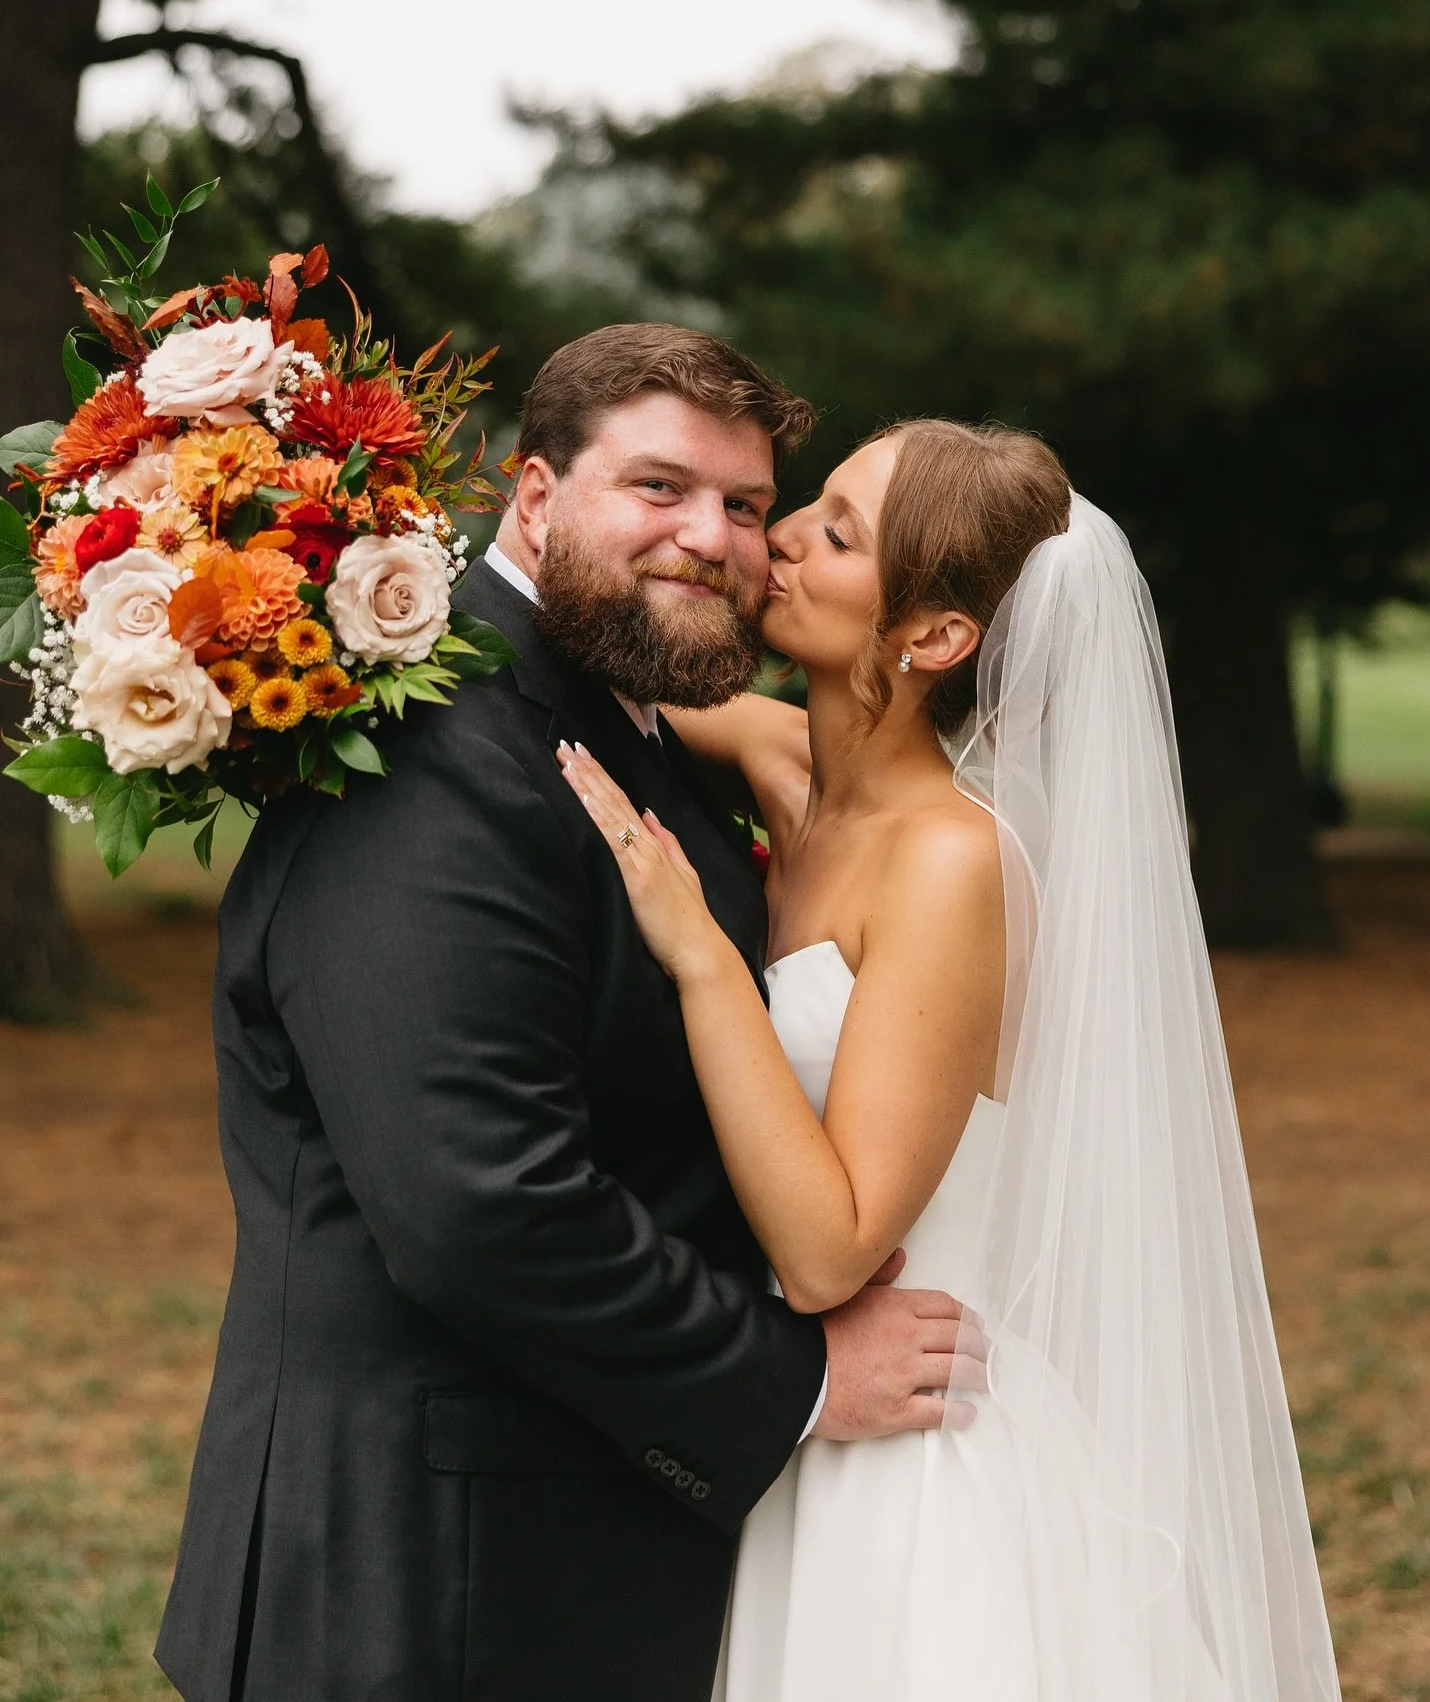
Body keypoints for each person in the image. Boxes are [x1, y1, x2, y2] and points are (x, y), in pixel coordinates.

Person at [155, 328, 986, 1702]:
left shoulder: (619, 721)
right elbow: (483, 1205)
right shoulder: (434, 762)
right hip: (424, 1591)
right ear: (533, 499)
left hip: (558, 1556)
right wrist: (791, 1384)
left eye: (744, 507)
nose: (711, 538)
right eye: (657, 488)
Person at [561, 419, 1343, 1701]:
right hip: (792, 1431)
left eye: (840, 533)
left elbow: (832, 1247)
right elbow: (586, 673)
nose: (781, 539)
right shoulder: (794, 770)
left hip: (915, 1458)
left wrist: (706, 960)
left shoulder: (948, 861)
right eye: (805, 507)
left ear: (932, 639)